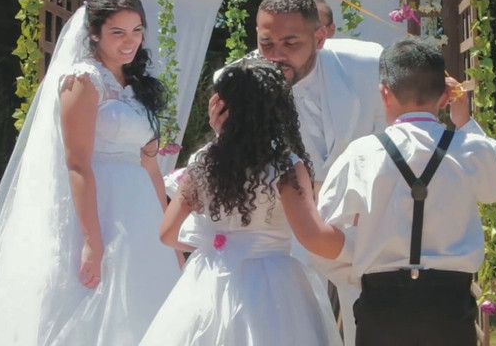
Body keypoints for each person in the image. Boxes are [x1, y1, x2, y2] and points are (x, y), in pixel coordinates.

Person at [0, 0, 180, 346]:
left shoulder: (138, 85)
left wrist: (167, 228)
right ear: (95, 33)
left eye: (136, 30)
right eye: (118, 32)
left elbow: (149, 164)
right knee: (91, 302)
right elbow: (78, 163)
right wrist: (92, 241)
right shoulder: (83, 81)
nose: (130, 40)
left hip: (140, 210)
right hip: (97, 205)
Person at [315, 37, 496, 346]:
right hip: (449, 304)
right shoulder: (469, 148)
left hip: (382, 304)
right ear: (446, 95)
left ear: (384, 93)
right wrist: (464, 122)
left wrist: (357, 267)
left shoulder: (363, 153)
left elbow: (326, 222)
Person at [141, 57, 344, 346]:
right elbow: (311, 235)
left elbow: (167, 234)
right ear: (279, 111)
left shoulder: (204, 161)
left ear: (222, 108)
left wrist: (218, 246)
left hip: (208, 280)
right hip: (273, 289)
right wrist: (351, 241)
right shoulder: (286, 166)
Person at [254, 0, 385, 344]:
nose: (276, 55)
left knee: (368, 325)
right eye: (266, 44)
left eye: (290, 43)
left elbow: (389, 144)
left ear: (321, 37)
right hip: (285, 228)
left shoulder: (369, 64)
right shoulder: (242, 81)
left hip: (361, 222)